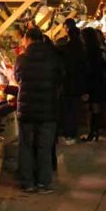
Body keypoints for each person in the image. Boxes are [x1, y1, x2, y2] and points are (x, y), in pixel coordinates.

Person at [15, 27, 64, 194]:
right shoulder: (54, 58)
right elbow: (61, 78)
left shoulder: (22, 59)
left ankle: (27, 182)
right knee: (44, 146)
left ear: (27, 39)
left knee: (26, 145)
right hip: (49, 109)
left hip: (27, 110)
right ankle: (44, 183)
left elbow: (17, 79)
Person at [57, 19, 87, 144]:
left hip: (68, 83)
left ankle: (69, 133)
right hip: (78, 84)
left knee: (68, 109)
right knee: (74, 109)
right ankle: (72, 132)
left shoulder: (67, 48)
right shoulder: (81, 47)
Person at [81, 27, 106, 142]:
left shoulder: (87, 52)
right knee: (96, 108)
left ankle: (92, 132)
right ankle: (96, 131)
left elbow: (86, 69)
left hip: (91, 83)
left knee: (90, 109)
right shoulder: (101, 50)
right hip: (100, 82)